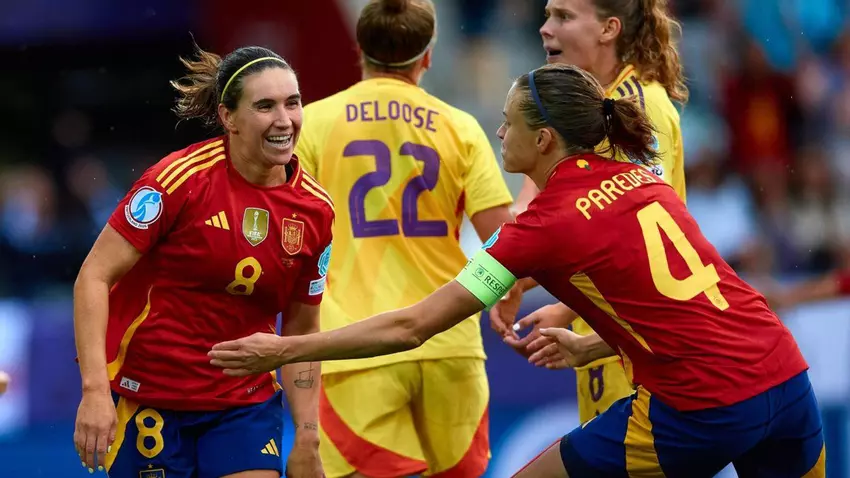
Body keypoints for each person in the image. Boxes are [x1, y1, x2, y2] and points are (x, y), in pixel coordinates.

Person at [210, 64, 825, 478]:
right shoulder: (643, 179)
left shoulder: (539, 227)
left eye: (510, 122)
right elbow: (690, 303)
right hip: (785, 375)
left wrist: (284, 349)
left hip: (706, 403)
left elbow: (413, 326)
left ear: (546, 139)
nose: (500, 131)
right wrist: (594, 345)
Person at [72, 44, 333, 478]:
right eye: (265, 106)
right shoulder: (177, 180)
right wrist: (95, 391)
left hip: (244, 404)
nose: (284, 120)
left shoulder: (316, 210)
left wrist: (307, 437)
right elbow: (94, 276)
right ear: (228, 117)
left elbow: (302, 329)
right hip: (151, 396)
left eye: (293, 102)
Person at [292, 0, 514, 476]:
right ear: (428, 54)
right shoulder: (460, 127)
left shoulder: (313, 124)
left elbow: (290, 239)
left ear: (359, 48)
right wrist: (507, 295)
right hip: (449, 342)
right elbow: (505, 241)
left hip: (355, 346)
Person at [490, 0, 689, 424]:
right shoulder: (579, 112)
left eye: (563, 17)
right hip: (602, 333)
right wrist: (517, 279)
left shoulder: (639, 107)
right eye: (547, 14)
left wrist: (563, 306)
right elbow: (539, 209)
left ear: (608, 29)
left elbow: (641, 244)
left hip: (638, 345)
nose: (545, 28)